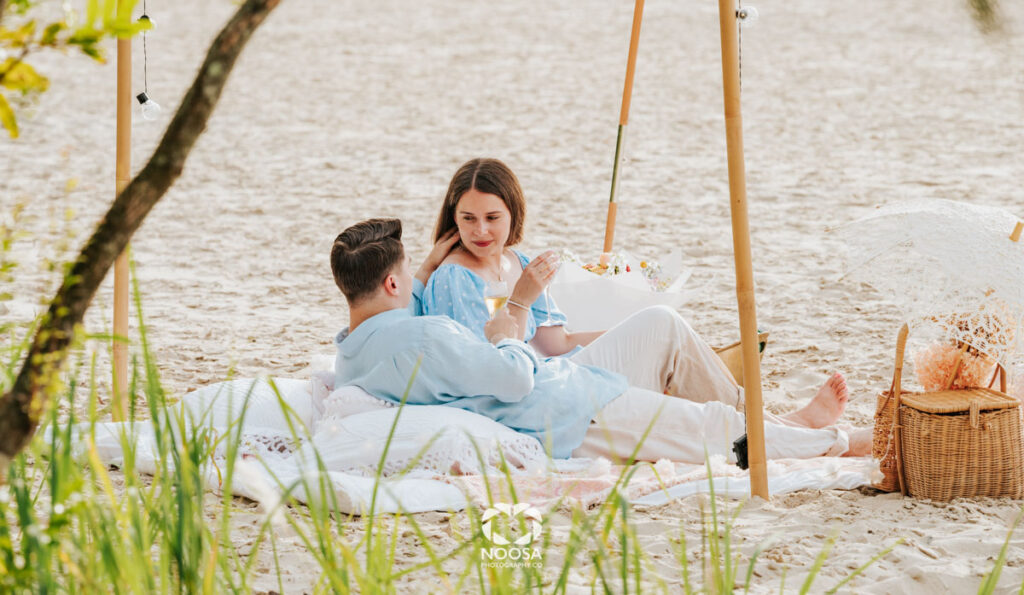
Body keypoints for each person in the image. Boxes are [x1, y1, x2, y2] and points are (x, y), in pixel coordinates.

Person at [331, 217, 871, 464]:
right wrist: (510, 320)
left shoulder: (353, 351)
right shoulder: (426, 336)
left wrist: (422, 266)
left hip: (565, 399)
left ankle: (808, 431)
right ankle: (842, 443)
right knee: (711, 432)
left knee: (707, 425)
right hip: (565, 407)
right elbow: (516, 377)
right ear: (393, 284)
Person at [414, 158, 847, 424]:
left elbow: (556, 343)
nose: (481, 231)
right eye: (468, 219)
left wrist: (629, 333)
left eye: (493, 216)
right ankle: (779, 423)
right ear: (453, 219)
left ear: (514, 213)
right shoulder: (456, 277)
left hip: (557, 371)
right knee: (662, 325)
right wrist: (520, 298)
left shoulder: (519, 262)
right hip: (534, 394)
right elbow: (485, 368)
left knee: (660, 326)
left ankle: (765, 421)